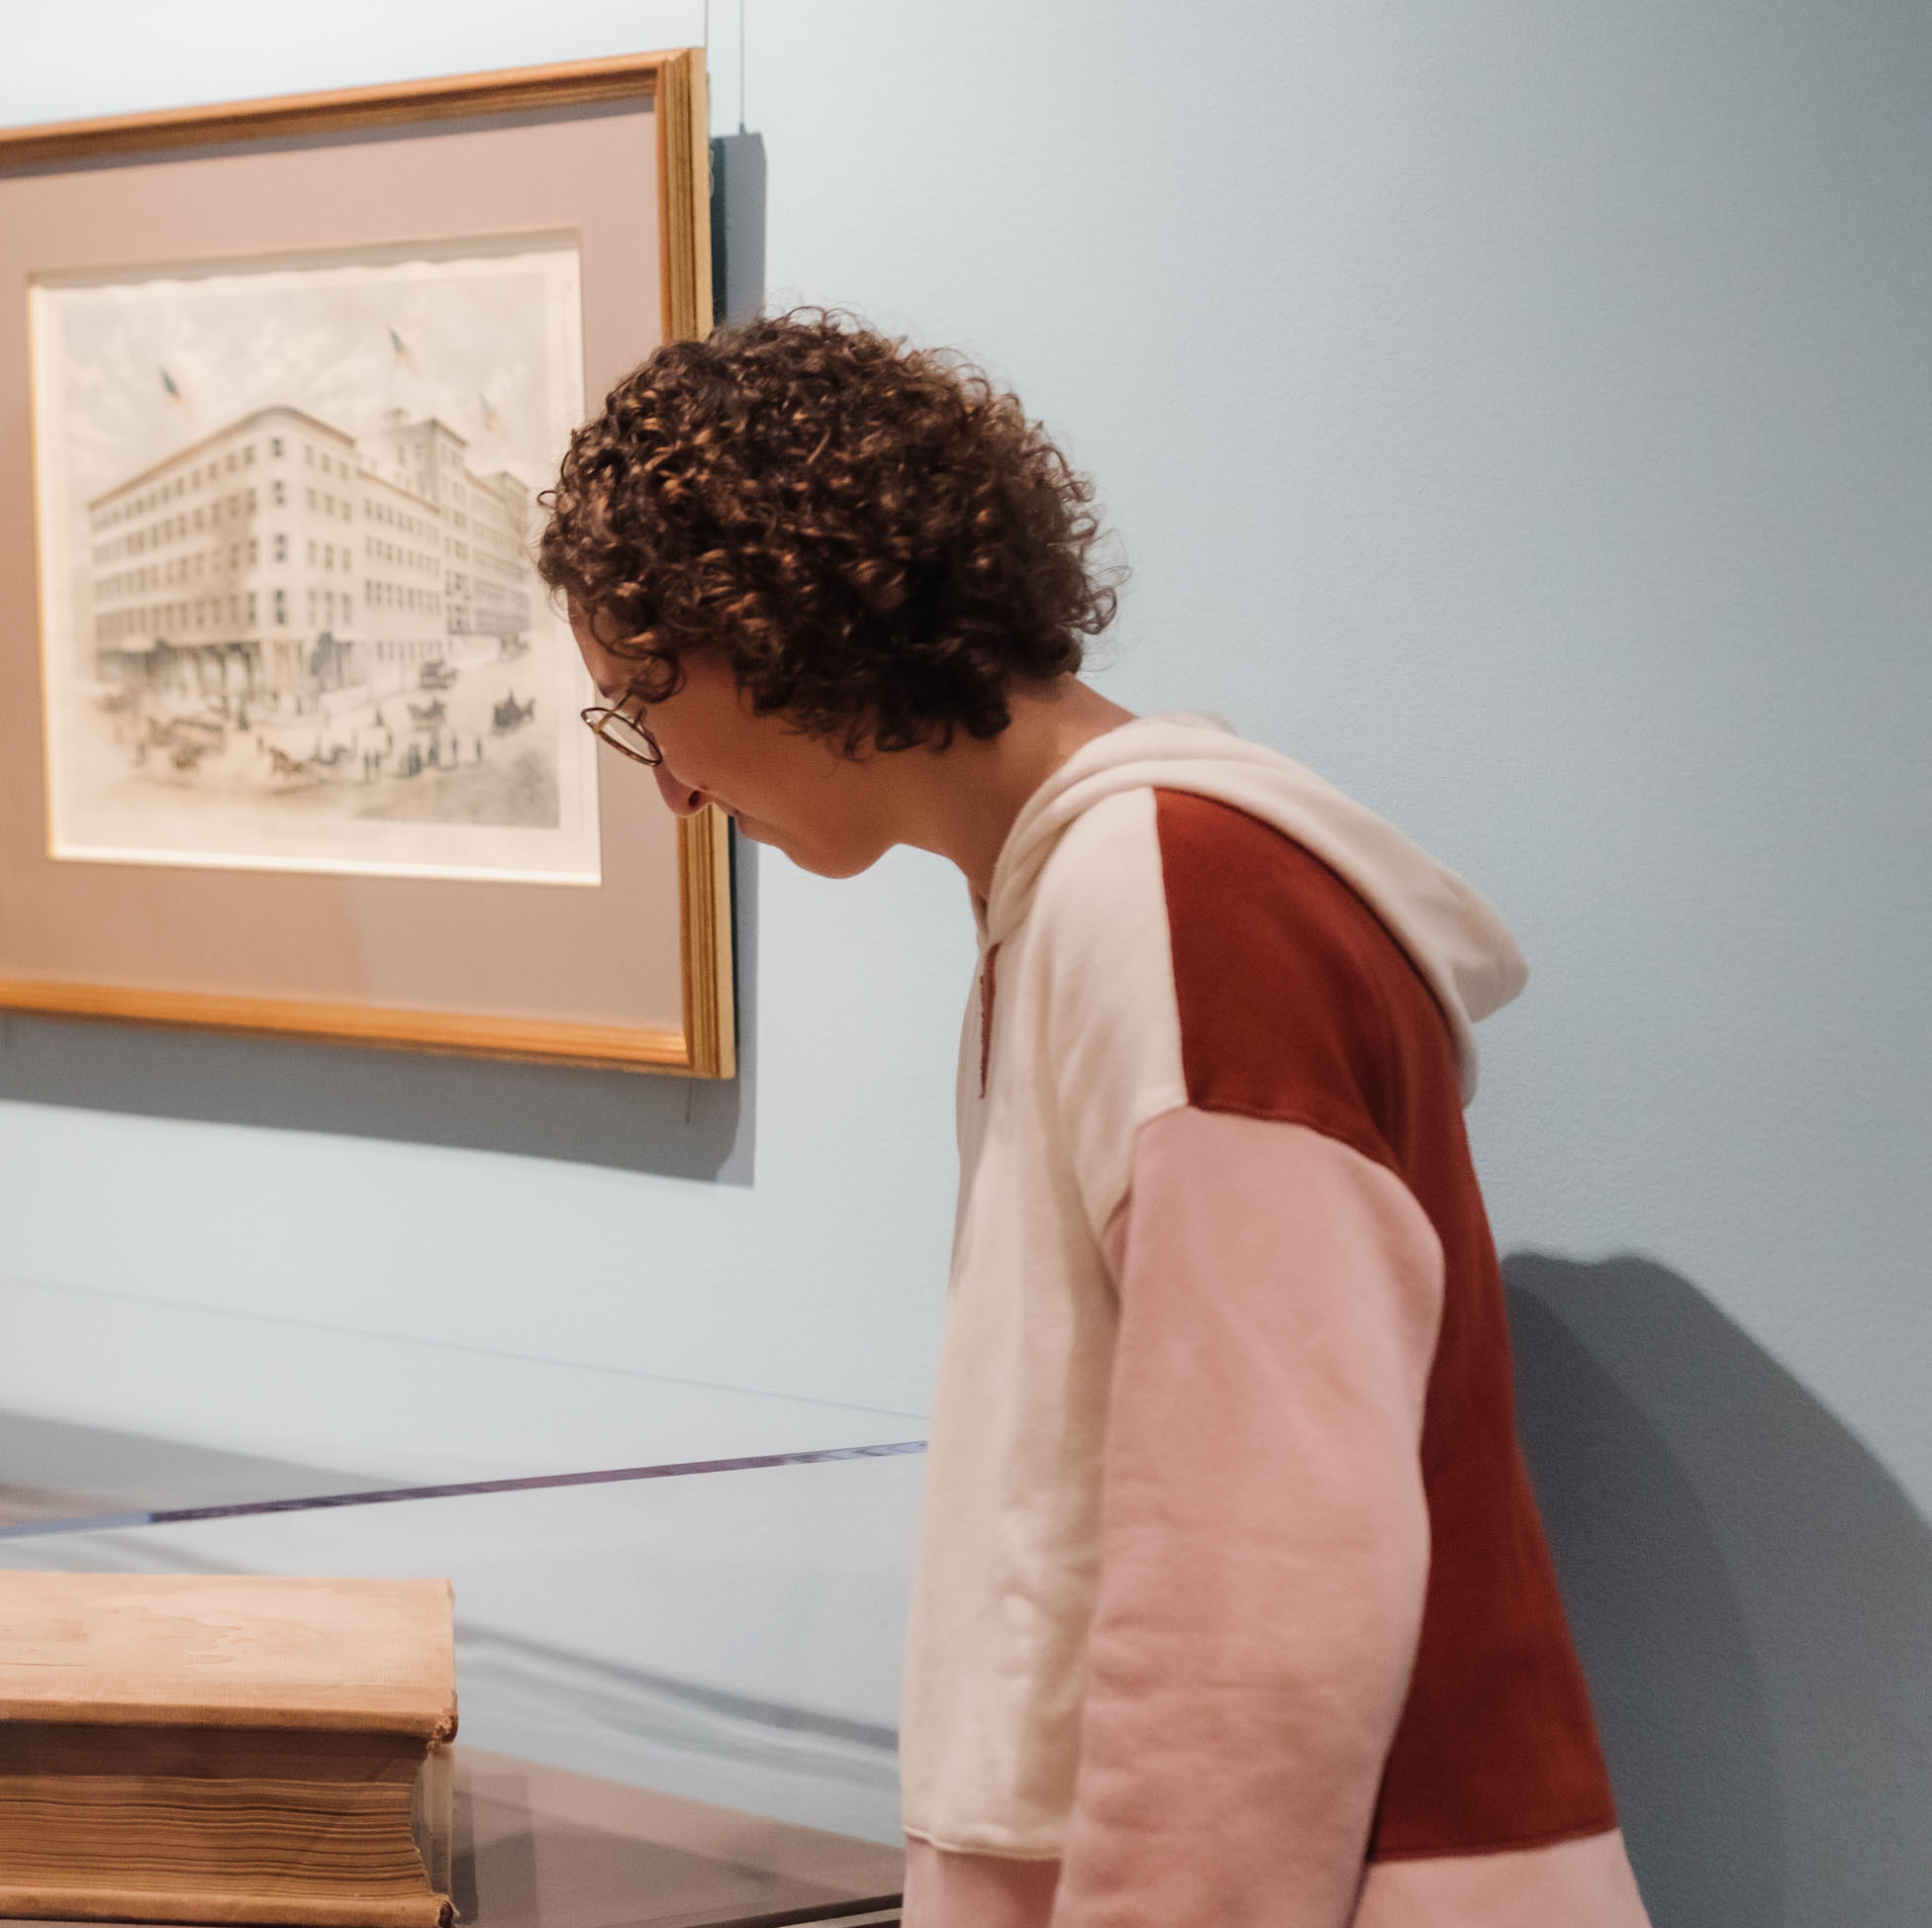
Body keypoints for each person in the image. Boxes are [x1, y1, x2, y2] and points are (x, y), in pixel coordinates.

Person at [535, 313, 1649, 1926]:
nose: (670, 786)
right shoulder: (1087, 899)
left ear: (769, 627)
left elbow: (1263, 1582)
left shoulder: (1175, 897)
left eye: (642, 700)